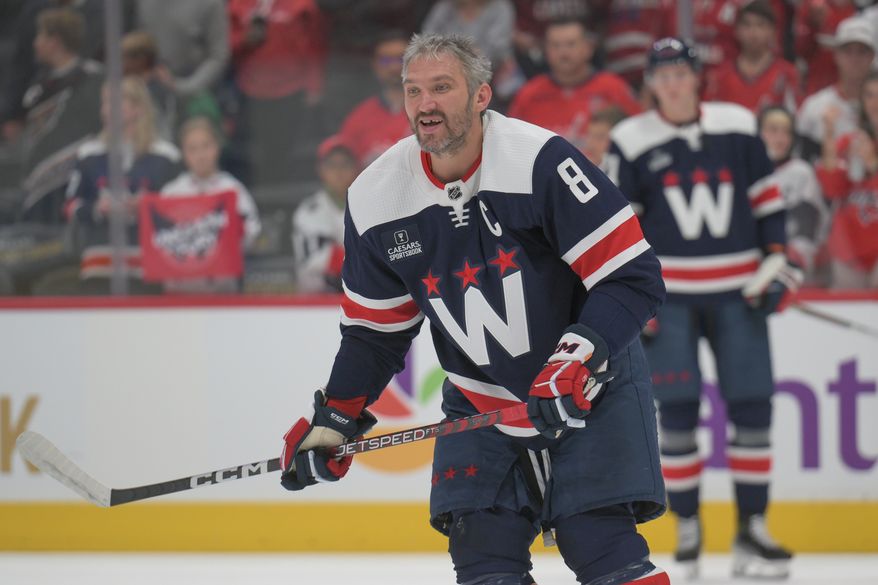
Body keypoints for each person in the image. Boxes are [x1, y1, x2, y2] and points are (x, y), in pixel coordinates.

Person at [280, 33, 670, 585]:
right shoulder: (376, 198)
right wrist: (336, 417)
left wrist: (576, 358)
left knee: (601, 547)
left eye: (442, 87)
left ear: (482, 95)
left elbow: (632, 277)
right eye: (413, 91)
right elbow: (374, 333)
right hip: (479, 398)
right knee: (483, 560)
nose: (426, 104)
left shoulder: (540, 161)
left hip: (588, 383)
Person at [610, 38, 797, 579]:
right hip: (668, 300)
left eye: (679, 72)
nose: (671, 82)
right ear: (649, 82)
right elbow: (623, 229)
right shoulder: (630, 139)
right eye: (660, 74)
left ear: (696, 77)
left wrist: (779, 264)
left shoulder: (738, 125)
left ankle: (752, 529)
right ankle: (688, 528)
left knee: (753, 409)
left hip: (741, 292)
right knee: (680, 413)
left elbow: (768, 203)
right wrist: (631, 296)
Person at [65, 76, 181, 293]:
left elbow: (182, 211)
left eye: (114, 102)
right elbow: (70, 206)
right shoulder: (89, 153)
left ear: (138, 108)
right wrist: (97, 209)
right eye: (104, 102)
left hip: (149, 266)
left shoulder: (167, 156)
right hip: (99, 265)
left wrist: (148, 207)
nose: (105, 110)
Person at [17, 6, 103, 223]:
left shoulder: (93, 79)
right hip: (39, 186)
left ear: (54, 41)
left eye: (40, 35)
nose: (35, 42)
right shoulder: (38, 87)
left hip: (78, 181)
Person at [508, 17, 641, 154]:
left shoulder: (614, 88)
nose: (563, 53)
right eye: (555, 45)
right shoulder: (529, 94)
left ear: (588, 48)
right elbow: (511, 143)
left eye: (571, 44)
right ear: (546, 50)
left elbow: (640, 135)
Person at [159, 116, 262, 293]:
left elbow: (253, 234)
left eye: (206, 146)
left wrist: (237, 234)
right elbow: (158, 243)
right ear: (184, 153)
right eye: (193, 149)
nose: (200, 155)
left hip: (222, 291)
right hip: (179, 294)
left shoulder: (233, 189)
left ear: (217, 147)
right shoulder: (171, 193)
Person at [815, 72, 878, 289]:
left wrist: (873, 165)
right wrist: (829, 132)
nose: (875, 103)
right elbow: (832, 188)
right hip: (849, 249)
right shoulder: (852, 140)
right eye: (869, 96)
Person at [758, 106, 829, 285]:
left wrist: (789, 259)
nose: (780, 139)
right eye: (773, 130)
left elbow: (807, 228)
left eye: (786, 132)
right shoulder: (746, 171)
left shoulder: (801, 172)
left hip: (792, 270)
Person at [797, 15, 876, 162]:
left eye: (862, 51)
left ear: (872, 57)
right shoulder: (814, 107)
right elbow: (802, 160)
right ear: (836, 55)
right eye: (848, 51)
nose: (855, 58)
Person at [702, 0, 799, 114]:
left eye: (760, 25)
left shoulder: (787, 74)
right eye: (747, 25)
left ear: (773, 31)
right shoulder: (720, 75)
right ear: (736, 31)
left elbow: (794, 119)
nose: (753, 32)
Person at [291, 134, 359, 294]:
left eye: (345, 164)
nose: (339, 171)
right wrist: (365, 258)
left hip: (359, 301)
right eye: (332, 165)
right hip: (315, 303)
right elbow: (320, 260)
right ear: (321, 170)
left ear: (356, 167)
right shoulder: (309, 210)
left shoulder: (369, 205)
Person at [336, 31, 412, 167]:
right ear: (375, 65)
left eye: (401, 59)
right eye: (385, 60)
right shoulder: (358, 118)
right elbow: (343, 168)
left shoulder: (433, 109)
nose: (394, 67)